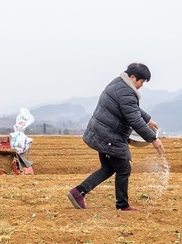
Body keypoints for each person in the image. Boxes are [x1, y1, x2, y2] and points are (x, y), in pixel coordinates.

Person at [67, 63, 165, 212]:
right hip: (109, 135)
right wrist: (153, 139)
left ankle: (78, 192)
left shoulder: (119, 83)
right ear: (133, 77)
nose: (142, 85)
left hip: (101, 131)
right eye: (141, 81)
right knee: (124, 168)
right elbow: (133, 118)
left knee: (108, 168)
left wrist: (148, 119)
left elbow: (132, 108)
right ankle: (122, 205)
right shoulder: (126, 92)